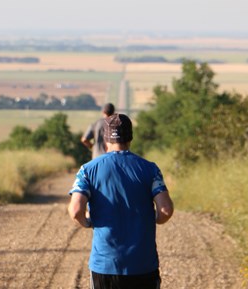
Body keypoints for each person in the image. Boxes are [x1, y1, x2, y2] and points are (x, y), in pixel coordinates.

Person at [68, 113, 174, 289]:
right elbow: (165, 210)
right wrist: (152, 220)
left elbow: (75, 210)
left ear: (104, 138)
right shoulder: (150, 169)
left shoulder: (87, 170)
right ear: (130, 137)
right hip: (143, 263)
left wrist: (87, 222)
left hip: (105, 265)